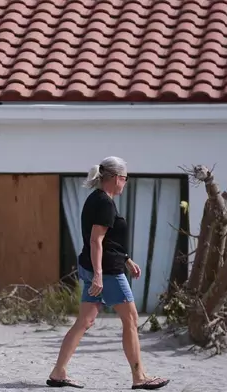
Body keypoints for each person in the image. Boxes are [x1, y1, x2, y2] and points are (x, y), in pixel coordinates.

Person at [47, 156, 170, 390]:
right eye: (125, 178)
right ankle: (139, 377)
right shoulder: (104, 202)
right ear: (115, 178)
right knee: (131, 319)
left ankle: (58, 372)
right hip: (106, 272)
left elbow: (108, 241)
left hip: (99, 265)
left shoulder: (97, 199)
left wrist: (126, 259)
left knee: (85, 321)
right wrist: (99, 275)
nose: (125, 183)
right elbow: (95, 241)